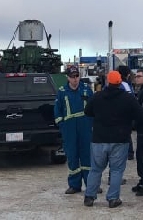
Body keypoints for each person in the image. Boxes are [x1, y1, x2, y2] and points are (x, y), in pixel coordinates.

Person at [83, 70, 142, 209]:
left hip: (99, 139)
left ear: (108, 82)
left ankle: (89, 197)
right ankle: (113, 198)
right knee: (116, 170)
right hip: (120, 140)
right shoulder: (128, 98)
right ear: (120, 82)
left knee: (96, 169)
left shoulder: (97, 97)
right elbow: (139, 114)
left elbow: (87, 112)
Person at [53, 65, 94, 195]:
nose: (75, 79)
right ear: (68, 77)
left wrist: (93, 123)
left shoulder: (87, 90)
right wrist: (62, 125)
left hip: (85, 126)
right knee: (72, 155)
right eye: (72, 77)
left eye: (77, 76)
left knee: (87, 155)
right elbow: (57, 109)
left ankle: (91, 184)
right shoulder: (62, 91)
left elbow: (94, 107)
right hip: (69, 128)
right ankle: (74, 185)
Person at [116, 65, 135, 160]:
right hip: (125, 113)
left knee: (124, 133)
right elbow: (131, 99)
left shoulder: (121, 84)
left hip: (121, 114)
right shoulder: (126, 85)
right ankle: (129, 153)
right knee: (126, 133)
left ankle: (128, 153)